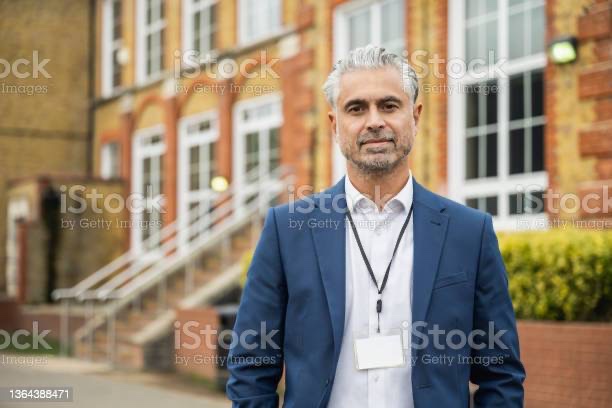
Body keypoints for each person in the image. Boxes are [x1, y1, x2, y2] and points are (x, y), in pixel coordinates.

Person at [227, 45, 525, 408]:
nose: (374, 121)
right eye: (356, 108)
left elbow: (500, 373)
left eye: (389, 105)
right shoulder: (287, 229)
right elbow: (251, 365)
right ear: (335, 125)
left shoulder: (469, 232)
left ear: (414, 116)